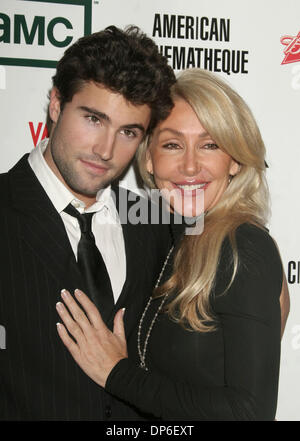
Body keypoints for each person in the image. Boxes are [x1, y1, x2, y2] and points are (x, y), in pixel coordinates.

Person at [56, 68, 289, 421]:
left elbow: (249, 412)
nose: (190, 165)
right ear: (149, 157)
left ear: (236, 161)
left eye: (210, 145)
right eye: (172, 144)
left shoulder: (243, 246)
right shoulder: (172, 224)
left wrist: (116, 373)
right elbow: (95, 199)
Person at [0, 25, 176, 420]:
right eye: (94, 119)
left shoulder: (156, 221)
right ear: (56, 104)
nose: (106, 150)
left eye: (128, 131)